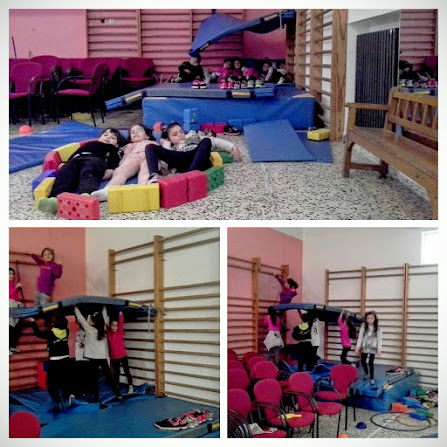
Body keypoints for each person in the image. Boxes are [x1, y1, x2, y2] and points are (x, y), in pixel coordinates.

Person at [37, 129, 125, 213]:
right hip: (77, 159)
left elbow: (115, 159)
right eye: (105, 135)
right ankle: (54, 199)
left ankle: (86, 194)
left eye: (113, 138)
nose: (108, 137)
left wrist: (111, 169)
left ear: (117, 144)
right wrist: (66, 163)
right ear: (99, 138)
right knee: (65, 175)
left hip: (95, 159)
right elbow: (75, 154)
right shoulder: (89, 144)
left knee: (89, 173)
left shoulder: (112, 148)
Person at [145, 122, 242, 184]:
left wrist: (232, 146)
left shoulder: (192, 137)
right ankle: (154, 176)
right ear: (169, 139)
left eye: (181, 132)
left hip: (197, 156)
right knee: (150, 147)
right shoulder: (169, 145)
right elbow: (165, 155)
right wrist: (163, 167)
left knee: (206, 140)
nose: (180, 135)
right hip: (181, 159)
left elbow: (215, 141)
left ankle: (191, 176)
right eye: (175, 134)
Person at [92, 124, 158, 202]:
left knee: (146, 171)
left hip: (147, 158)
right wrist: (120, 165)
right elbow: (124, 156)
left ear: (147, 136)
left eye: (139, 131)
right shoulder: (128, 146)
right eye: (133, 132)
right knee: (120, 171)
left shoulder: (152, 143)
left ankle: (143, 187)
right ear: (130, 139)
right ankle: (108, 190)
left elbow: (159, 154)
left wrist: (164, 166)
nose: (136, 133)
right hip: (132, 159)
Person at [74, 305, 122, 402]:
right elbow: (103, 317)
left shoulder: (89, 330)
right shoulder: (102, 330)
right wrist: (104, 308)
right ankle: (118, 394)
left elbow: (81, 319)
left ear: (94, 322)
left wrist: (75, 308)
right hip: (102, 357)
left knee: (94, 380)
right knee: (109, 377)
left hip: (93, 359)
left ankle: (96, 399)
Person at [29, 312, 72, 411]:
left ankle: (57, 401)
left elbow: (38, 333)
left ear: (54, 324)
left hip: (55, 362)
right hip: (66, 360)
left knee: (51, 384)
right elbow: (56, 328)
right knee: (65, 382)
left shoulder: (50, 333)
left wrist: (33, 322)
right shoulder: (66, 331)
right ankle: (66, 398)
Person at [106, 311, 134, 394]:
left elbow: (121, 323)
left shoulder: (120, 333)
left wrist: (121, 313)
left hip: (123, 355)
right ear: (110, 326)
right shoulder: (109, 334)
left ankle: (131, 386)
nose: (114, 327)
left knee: (126, 371)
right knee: (116, 373)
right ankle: (117, 387)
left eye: (116, 326)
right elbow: (105, 323)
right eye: (113, 325)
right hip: (115, 357)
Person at [355, 310, 382, 387]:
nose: (370, 320)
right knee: (363, 361)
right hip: (365, 347)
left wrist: (379, 350)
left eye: (372, 318)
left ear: (375, 319)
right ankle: (367, 373)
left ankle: (372, 378)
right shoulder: (364, 327)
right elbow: (360, 337)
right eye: (368, 318)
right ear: (366, 319)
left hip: (373, 347)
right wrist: (357, 348)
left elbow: (379, 339)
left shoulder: (378, 328)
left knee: (370, 362)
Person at [9, 267, 24, 355]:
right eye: (10, 273)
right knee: (10, 326)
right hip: (9, 306)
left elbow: (13, 296)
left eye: (13, 274)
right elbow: (8, 294)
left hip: (14, 305)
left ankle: (12, 345)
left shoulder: (11, 283)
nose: (12, 275)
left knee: (18, 325)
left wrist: (17, 302)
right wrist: (16, 287)